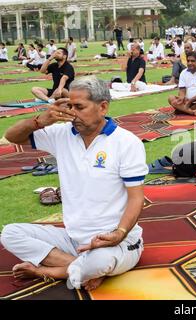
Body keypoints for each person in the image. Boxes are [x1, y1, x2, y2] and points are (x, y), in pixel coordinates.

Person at [1, 76, 148, 292]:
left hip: (116, 242)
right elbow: (12, 136)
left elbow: (136, 198)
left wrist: (120, 233)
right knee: (10, 234)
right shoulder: (61, 135)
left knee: (99, 261)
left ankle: (48, 271)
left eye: (79, 107)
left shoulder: (126, 143)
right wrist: (39, 121)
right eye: (69, 106)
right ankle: (80, 268)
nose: (72, 114)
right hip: (73, 239)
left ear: (103, 107)